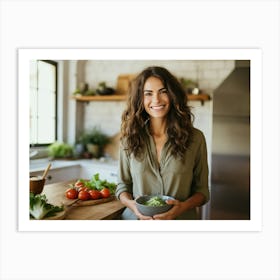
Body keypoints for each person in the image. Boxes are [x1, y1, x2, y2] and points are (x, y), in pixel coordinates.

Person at [115, 66, 210, 220]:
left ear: (173, 95)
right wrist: (133, 206)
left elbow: (202, 192)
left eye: (163, 91)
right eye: (148, 94)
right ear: (140, 99)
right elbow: (122, 186)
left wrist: (181, 208)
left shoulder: (196, 138)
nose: (156, 100)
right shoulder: (128, 139)